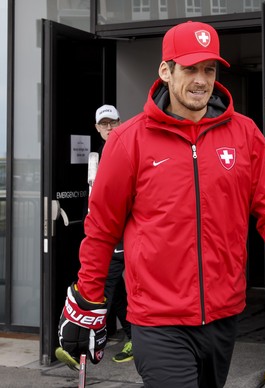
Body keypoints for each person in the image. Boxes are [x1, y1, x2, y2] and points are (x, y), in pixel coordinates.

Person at [55, 21, 265, 387]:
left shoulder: (245, 133)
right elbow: (102, 229)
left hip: (224, 314)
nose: (201, 80)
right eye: (190, 69)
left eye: (209, 69)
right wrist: (88, 297)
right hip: (157, 320)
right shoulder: (128, 140)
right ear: (166, 71)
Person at [94, 104, 134, 363]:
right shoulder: (98, 156)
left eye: (113, 122)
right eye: (104, 124)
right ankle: (133, 338)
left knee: (107, 288)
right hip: (108, 236)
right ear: (97, 128)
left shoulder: (128, 149)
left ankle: (90, 338)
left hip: (126, 236)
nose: (109, 128)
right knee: (116, 291)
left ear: (120, 122)